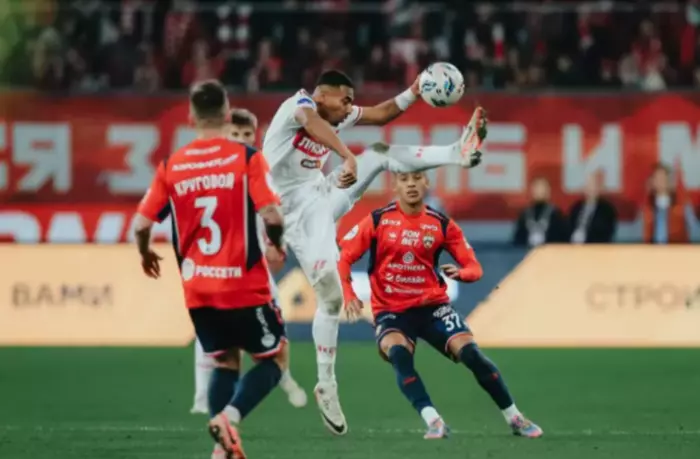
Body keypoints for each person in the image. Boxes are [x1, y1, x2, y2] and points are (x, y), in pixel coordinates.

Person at [262, 69, 486, 435]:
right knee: (330, 297)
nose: (350, 108)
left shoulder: (335, 112)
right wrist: (346, 156)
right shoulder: (298, 105)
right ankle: (324, 383)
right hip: (282, 212)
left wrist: (414, 91)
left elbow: (381, 114)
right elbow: (309, 119)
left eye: (352, 102)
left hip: (320, 199)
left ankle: (456, 153)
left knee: (380, 153)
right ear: (323, 95)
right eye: (345, 100)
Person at [134, 80, 288, 459]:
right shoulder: (246, 158)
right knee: (275, 360)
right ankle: (228, 419)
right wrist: (278, 243)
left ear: (190, 117)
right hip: (243, 284)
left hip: (198, 288)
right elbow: (271, 214)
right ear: (226, 114)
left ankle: (221, 451)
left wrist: (145, 253)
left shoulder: (172, 165)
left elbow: (141, 224)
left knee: (224, 359)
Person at [337, 171, 543, 440]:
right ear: (395, 185)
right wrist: (349, 294)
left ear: (427, 183)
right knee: (398, 354)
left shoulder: (441, 224)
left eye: (416, 178)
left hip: (432, 307)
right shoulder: (378, 220)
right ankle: (434, 421)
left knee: (471, 354)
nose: (411, 184)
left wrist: (463, 274)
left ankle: (514, 417)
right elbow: (344, 257)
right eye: (404, 179)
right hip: (392, 310)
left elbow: (474, 267)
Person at [190, 108, 307, 415]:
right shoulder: (253, 170)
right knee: (263, 346)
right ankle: (221, 402)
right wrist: (277, 243)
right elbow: (270, 214)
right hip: (242, 274)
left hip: (215, 271)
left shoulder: (201, 171)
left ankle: (213, 409)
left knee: (224, 348)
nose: (241, 139)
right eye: (235, 134)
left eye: (246, 135)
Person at [512, 177, 569, 247]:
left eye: (543, 189)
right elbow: (518, 240)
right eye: (537, 189)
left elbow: (562, 240)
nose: (540, 192)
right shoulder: (524, 214)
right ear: (532, 191)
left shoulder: (556, 214)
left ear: (548, 192)